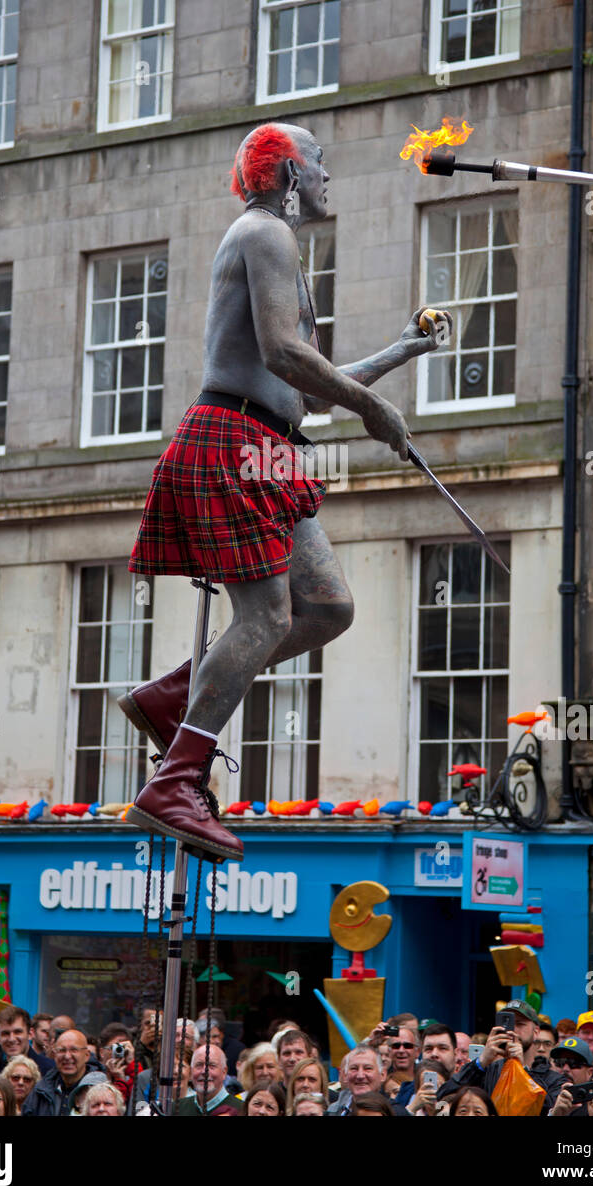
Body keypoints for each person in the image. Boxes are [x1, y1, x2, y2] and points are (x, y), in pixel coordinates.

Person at [121, 122, 444, 864]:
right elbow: (283, 353)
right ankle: (175, 782)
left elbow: (305, 392)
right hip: (235, 441)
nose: (330, 172)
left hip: (271, 444)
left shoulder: (278, 246)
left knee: (328, 608)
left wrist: (402, 350)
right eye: (319, 160)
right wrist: (374, 411)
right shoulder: (262, 233)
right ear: (288, 174)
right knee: (265, 615)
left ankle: (176, 696)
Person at [436, 999, 565, 1114]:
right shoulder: (488, 1071)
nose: (512, 1029)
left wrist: (522, 1070)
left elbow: (547, 1109)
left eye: (520, 1024)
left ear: (536, 1031)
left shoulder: (554, 1079)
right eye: (507, 1023)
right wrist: (481, 1062)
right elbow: (444, 1094)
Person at [21, 1029, 101, 1116]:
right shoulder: (41, 1091)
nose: (67, 1056)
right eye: (62, 1050)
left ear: (87, 1055)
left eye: (74, 1050)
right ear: (54, 1055)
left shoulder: (100, 1090)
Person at [326, 1045, 407, 1116]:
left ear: (382, 1075)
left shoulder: (396, 1112)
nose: (360, 1075)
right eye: (354, 1068)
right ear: (344, 1075)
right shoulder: (333, 1111)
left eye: (368, 1068)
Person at [173, 1043, 242, 1116]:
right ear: (191, 1071)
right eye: (199, 1065)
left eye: (212, 1065)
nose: (204, 1071)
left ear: (224, 1072)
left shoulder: (242, 1110)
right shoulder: (176, 1108)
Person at [0, 1004, 54, 1074]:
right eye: (5, 1033)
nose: (11, 1039)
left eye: (17, 1032)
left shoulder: (50, 1070)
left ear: (30, 1034)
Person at [385, 1025, 421, 1108]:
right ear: (389, 1051)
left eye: (407, 1046)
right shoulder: (380, 1080)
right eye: (396, 1046)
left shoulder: (424, 1080)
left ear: (417, 1052)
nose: (401, 1050)